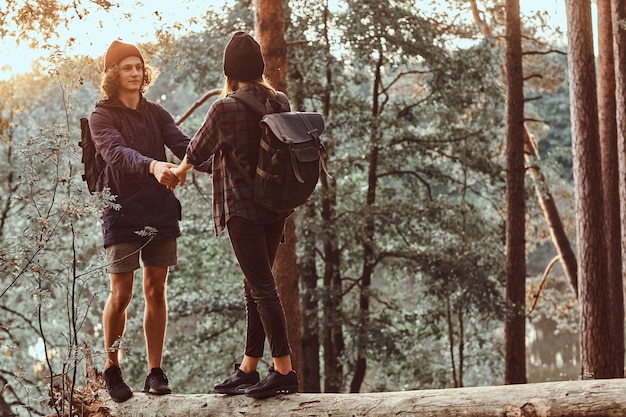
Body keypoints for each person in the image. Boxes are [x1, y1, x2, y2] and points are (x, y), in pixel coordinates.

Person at [171, 31, 299, 398]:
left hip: (242, 209)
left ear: (230, 71)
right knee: (255, 287)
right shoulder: (280, 101)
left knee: (262, 287)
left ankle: (284, 371)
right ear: (259, 68)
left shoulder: (224, 108)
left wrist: (177, 173)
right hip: (275, 207)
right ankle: (249, 367)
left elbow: (196, 150)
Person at [89, 40, 198, 402]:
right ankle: (112, 368)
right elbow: (115, 153)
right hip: (120, 212)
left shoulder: (156, 113)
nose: (135, 73)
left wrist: (218, 160)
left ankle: (154, 372)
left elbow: (184, 145)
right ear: (113, 74)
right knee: (121, 294)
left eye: (138, 66)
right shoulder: (101, 116)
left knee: (156, 291)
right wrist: (153, 165)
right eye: (126, 67)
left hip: (159, 210)